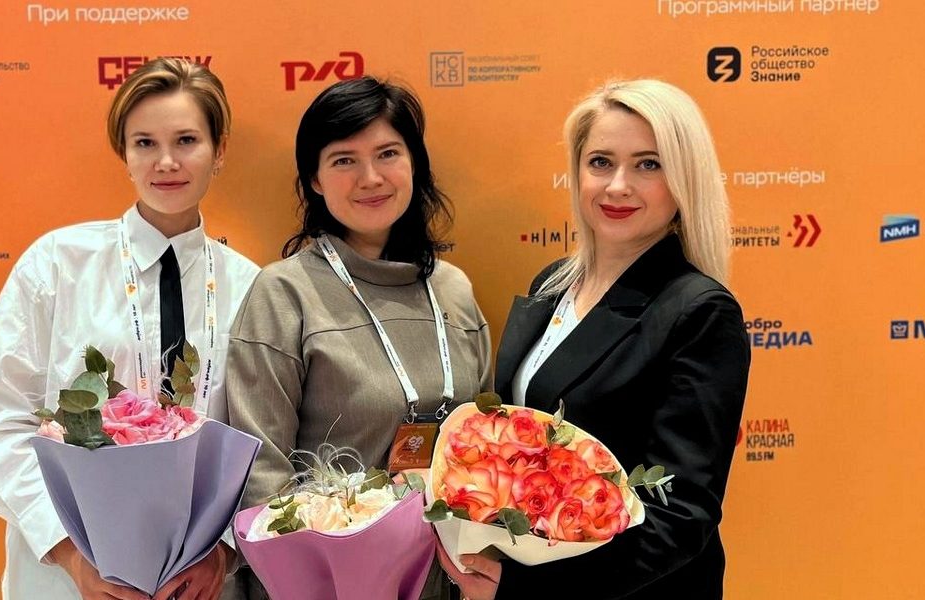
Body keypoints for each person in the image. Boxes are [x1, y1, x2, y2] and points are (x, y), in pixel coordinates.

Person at [0, 58, 260, 600]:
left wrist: (227, 552)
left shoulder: (250, 286)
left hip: (200, 585)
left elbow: (267, 442)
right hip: (69, 581)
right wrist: (69, 552)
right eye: (145, 143)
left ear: (220, 150)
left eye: (186, 140)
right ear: (124, 154)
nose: (166, 161)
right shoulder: (57, 265)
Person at [441, 79, 750, 600]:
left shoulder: (699, 310)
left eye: (648, 164)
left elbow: (680, 516)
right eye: (601, 162)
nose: (618, 186)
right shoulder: (552, 284)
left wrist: (528, 588)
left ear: (684, 179)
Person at [225, 76, 493, 599]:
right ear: (315, 179)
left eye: (387, 154)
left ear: (414, 163)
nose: (370, 178)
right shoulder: (285, 293)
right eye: (344, 160)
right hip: (327, 587)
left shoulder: (454, 291)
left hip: (447, 581)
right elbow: (262, 475)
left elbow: (483, 443)